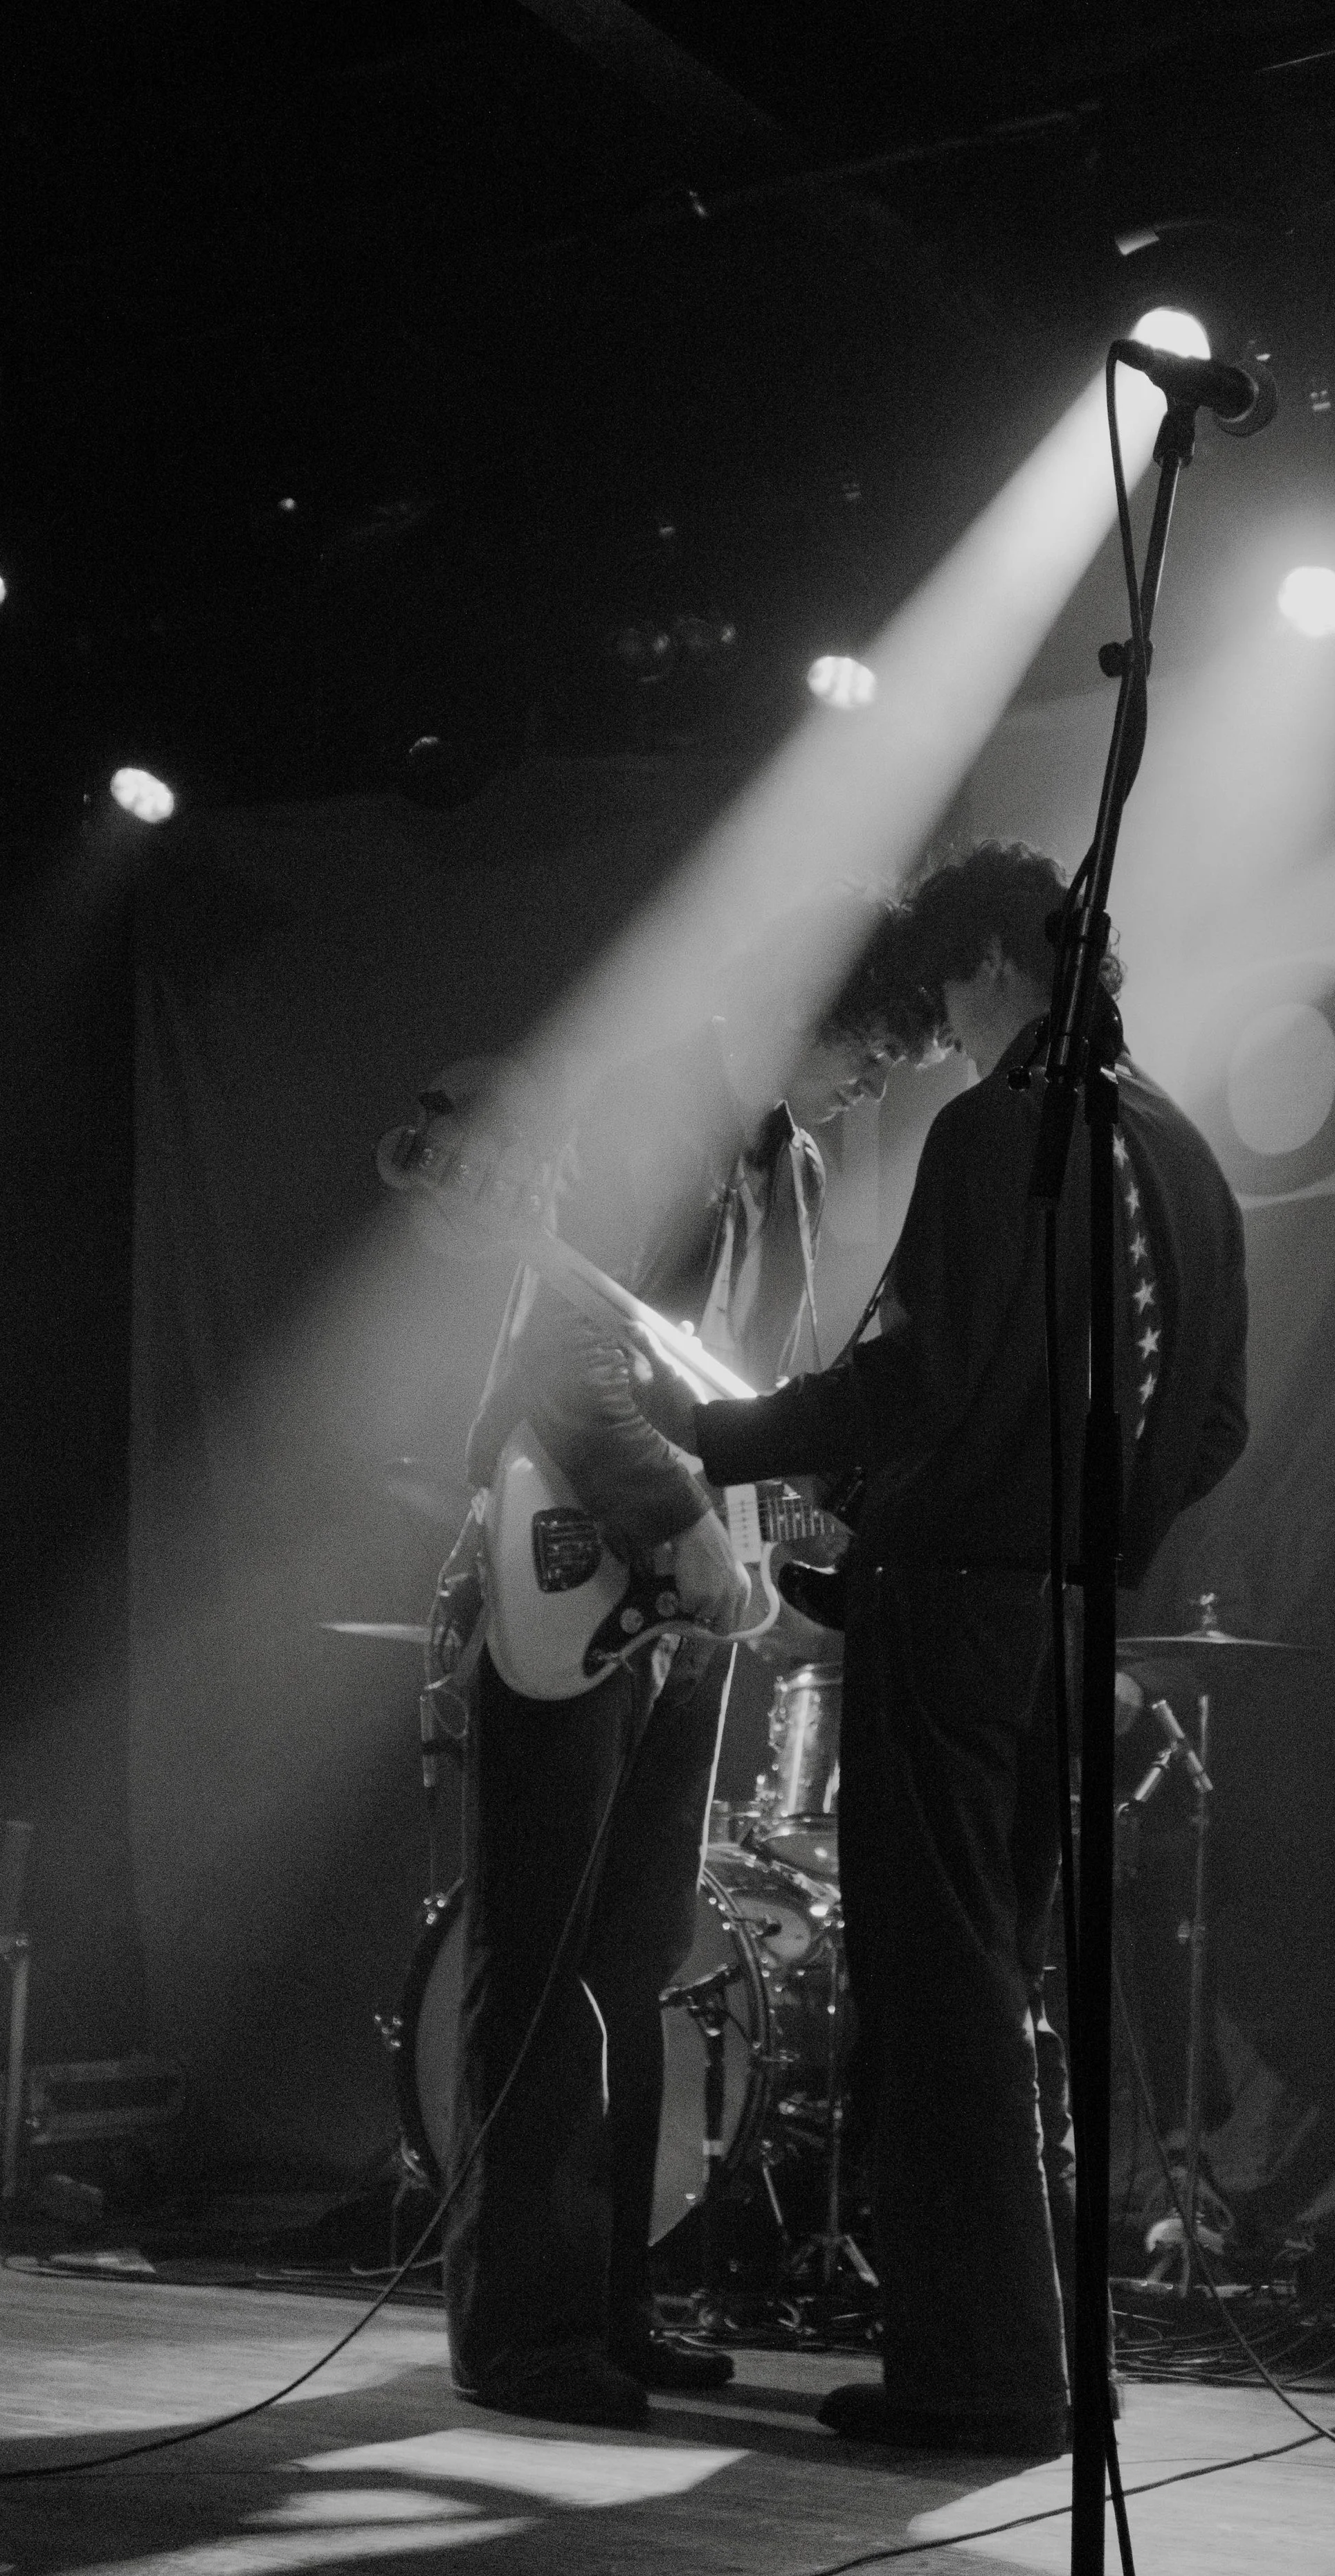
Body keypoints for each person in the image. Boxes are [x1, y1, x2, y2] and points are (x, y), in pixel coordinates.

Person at [631, 840, 1249, 2454]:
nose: (937, 1036)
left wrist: (723, 1437)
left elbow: (920, 1377)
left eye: (945, 993)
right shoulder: (1181, 1152)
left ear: (990, 961)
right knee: (998, 1984)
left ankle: (971, 2377)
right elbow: (1218, 1423)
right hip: (1058, 1620)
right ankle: (1018, 2356)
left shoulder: (1002, 1129)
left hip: (961, 1616)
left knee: (942, 1994)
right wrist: (1089, 1537)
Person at [442, 890, 938, 2429]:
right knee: (540, 1952)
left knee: (636, 1958)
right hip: (584, 1554)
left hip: (675, 1591)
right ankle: (517, 2336)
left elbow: (732, 1383)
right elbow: (565, 1347)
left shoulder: (782, 1160)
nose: (877, 1081)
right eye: (873, 1042)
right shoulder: (646, 1105)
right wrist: (676, 1529)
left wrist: (804, 1503)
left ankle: (608, 2305)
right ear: (803, 1003)